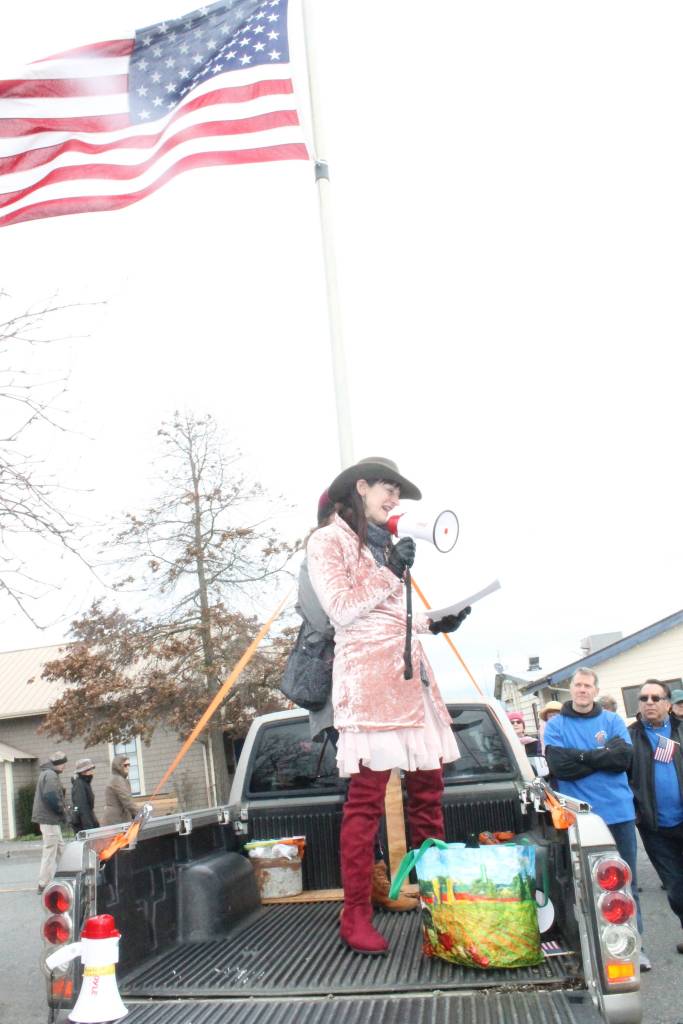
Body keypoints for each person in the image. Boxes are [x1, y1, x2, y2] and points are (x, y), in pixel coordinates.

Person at [306, 456, 470, 955]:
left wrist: (431, 623)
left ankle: (439, 906)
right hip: (370, 687)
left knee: (428, 795)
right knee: (365, 802)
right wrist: (391, 570)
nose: (396, 500)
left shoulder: (382, 546)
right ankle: (354, 913)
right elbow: (341, 610)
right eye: (389, 490)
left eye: (398, 492)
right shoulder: (326, 541)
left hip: (410, 682)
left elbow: (386, 618)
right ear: (361, 487)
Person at [297, 489, 417, 913]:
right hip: (339, 687)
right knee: (357, 789)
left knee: (367, 789)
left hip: (374, 683)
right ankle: (368, 886)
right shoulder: (321, 553)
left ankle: (376, 878)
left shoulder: (370, 553)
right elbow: (329, 615)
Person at [544, 668, 651, 971]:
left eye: (587, 685)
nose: (581, 690)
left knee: (625, 882)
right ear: (571, 689)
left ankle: (635, 947)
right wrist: (598, 755)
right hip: (578, 817)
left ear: (595, 690)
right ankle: (591, 951)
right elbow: (559, 766)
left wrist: (579, 756)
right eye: (577, 685)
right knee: (582, 885)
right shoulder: (556, 725)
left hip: (618, 813)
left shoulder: (613, 721)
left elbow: (622, 759)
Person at [628, 679, 683, 955]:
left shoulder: (680, 732)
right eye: (644, 698)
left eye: (655, 697)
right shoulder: (629, 737)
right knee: (675, 886)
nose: (649, 702)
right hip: (655, 827)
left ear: (668, 704)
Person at [31, 751, 68, 893]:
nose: (64, 766)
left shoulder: (47, 774)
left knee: (60, 848)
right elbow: (51, 796)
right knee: (50, 851)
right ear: (57, 764)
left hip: (49, 819)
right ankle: (43, 883)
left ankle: (66, 875)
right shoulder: (51, 775)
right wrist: (61, 811)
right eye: (63, 763)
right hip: (49, 819)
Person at [101, 754, 139, 826]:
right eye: (125, 765)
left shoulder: (120, 779)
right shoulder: (117, 779)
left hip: (119, 819)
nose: (128, 767)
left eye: (129, 765)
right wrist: (141, 815)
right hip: (115, 821)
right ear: (118, 766)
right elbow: (127, 801)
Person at [70, 758, 100, 832]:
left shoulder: (85, 783)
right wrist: (89, 828)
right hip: (83, 825)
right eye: (90, 769)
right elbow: (82, 808)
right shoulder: (79, 785)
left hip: (87, 821)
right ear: (83, 772)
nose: (92, 772)